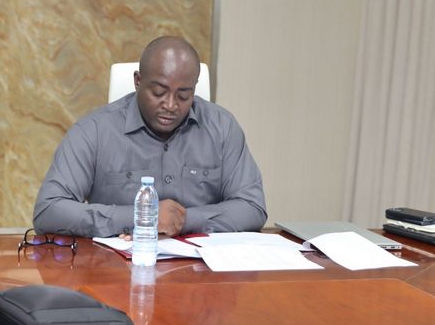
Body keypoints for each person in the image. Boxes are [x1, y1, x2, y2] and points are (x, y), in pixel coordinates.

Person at [33, 36, 266, 237]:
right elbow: (49, 210)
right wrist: (141, 217)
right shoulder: (93, 130)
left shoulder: (222, 127)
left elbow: (252, 207)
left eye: (184, 95)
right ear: (138, 81)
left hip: (199, 267)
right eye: (158, 92)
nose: (171, 105)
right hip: (116, 267)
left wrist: (184, 220)